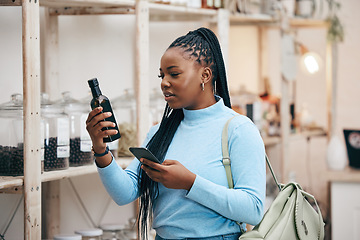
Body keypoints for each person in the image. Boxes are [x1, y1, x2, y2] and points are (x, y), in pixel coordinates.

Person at [86, 27, 266, 240]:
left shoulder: (239, 129)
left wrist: (190, 182)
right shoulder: (160, 132)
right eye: (162, 75)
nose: (164, 82)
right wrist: (100, 148)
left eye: (174, 73)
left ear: (205, 75)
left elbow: (253, 210)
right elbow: (124, 193)